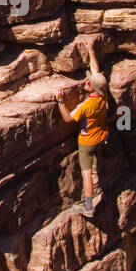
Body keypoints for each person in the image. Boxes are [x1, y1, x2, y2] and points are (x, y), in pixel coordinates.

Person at [56, 35, 109, 216]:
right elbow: (96, 71)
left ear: (92, 87)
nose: (86, 82)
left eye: (88, 83)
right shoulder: (103, 94)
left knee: (86, 173)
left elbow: (69, 120)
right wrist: (91, 49)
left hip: (86, 142)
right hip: (102, 135)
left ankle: (88, 206)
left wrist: (61, 102)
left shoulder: (86, 106)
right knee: (97, 163)